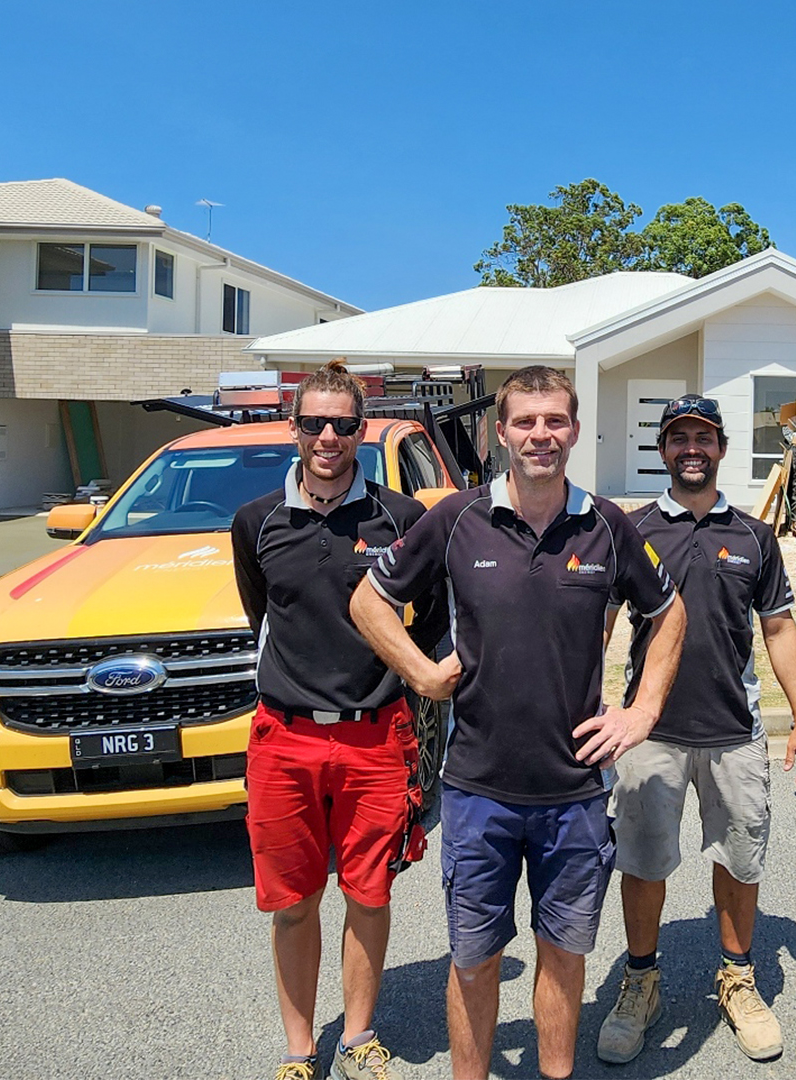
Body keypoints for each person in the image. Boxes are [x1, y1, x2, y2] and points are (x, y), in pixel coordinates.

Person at [350, 365, 687, 1080]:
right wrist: (420, 672)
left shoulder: (605, 525)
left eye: (555, 421)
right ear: (499, 432)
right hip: (478, 790)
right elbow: (369, 602)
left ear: (573, 429)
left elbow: (669, 613)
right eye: (526, 422)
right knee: (475, 963)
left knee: (564, 959)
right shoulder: (456, 518)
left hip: (574, 794)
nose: (542, 435)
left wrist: (643, 710)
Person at [595, 394, 796, 1065]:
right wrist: (586, 709)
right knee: (641, 864)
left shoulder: (754, 536)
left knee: (740, 861)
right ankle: (641, 984)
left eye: (703, 437)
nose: (691, 448)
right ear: (663, 452)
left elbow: (779, 630)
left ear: (720, 448)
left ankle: (738, 980)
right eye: (678, 438)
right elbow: (599, 625)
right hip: (649, 735)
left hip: (734, 732)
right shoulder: (631, 531)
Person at [232, 359, 427, 1080]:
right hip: (283, 739)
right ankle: (298, 1048)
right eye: (313, 422)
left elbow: (428, 624)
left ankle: (360, 1036)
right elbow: (266, 617)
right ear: (294, 427)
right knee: (293, 901)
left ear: (361, 429)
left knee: (369, 894)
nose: (327, 437)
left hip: (376, 737)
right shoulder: (256, 523)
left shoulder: (401, 522)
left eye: (342, 424)